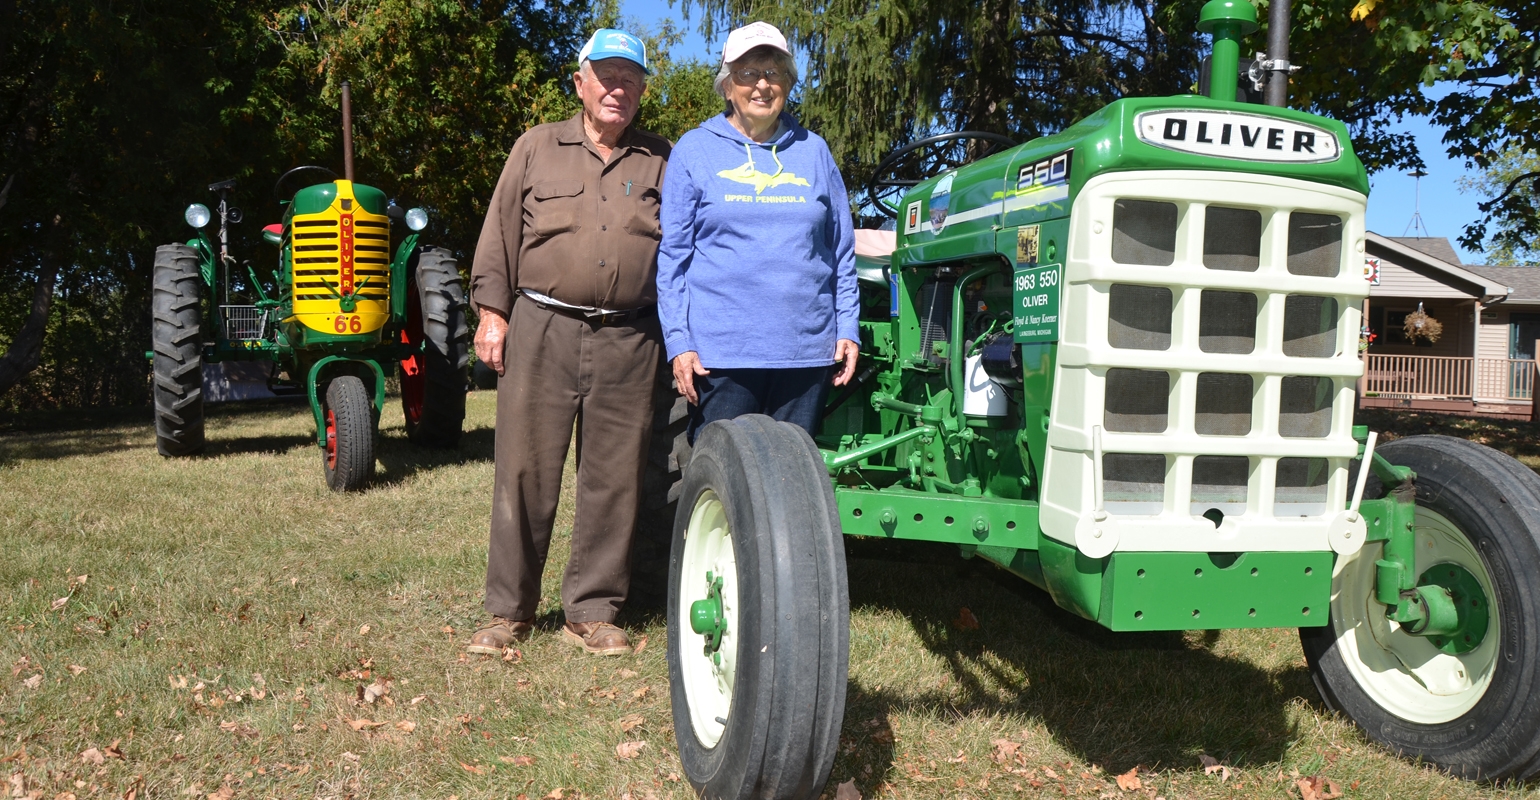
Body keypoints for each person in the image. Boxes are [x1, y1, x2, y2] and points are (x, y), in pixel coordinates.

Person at [466, 28, 670, 657]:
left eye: (630, 79)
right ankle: (509, 611)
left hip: (632, 337)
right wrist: (492, 314)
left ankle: (593, 608)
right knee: (524, 469)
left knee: (615, 477)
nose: (618, 88)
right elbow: (499, 235)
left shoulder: (664, 159)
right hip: (542, 327)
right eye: (606, 75)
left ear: (640, 92)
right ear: (580, 81)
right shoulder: (536, 148)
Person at [655, 21, 859, 443]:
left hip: (806, 355)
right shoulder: (695, 149)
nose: (762, 85)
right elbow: (672, 258)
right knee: (724, 485)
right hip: (721, 358)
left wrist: (847, 329)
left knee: (791, 480)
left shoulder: (814, 150)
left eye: (774, 73)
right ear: (728, 85)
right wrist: (680, 343)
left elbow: (842, 251)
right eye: (748, 73)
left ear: (787, 83)